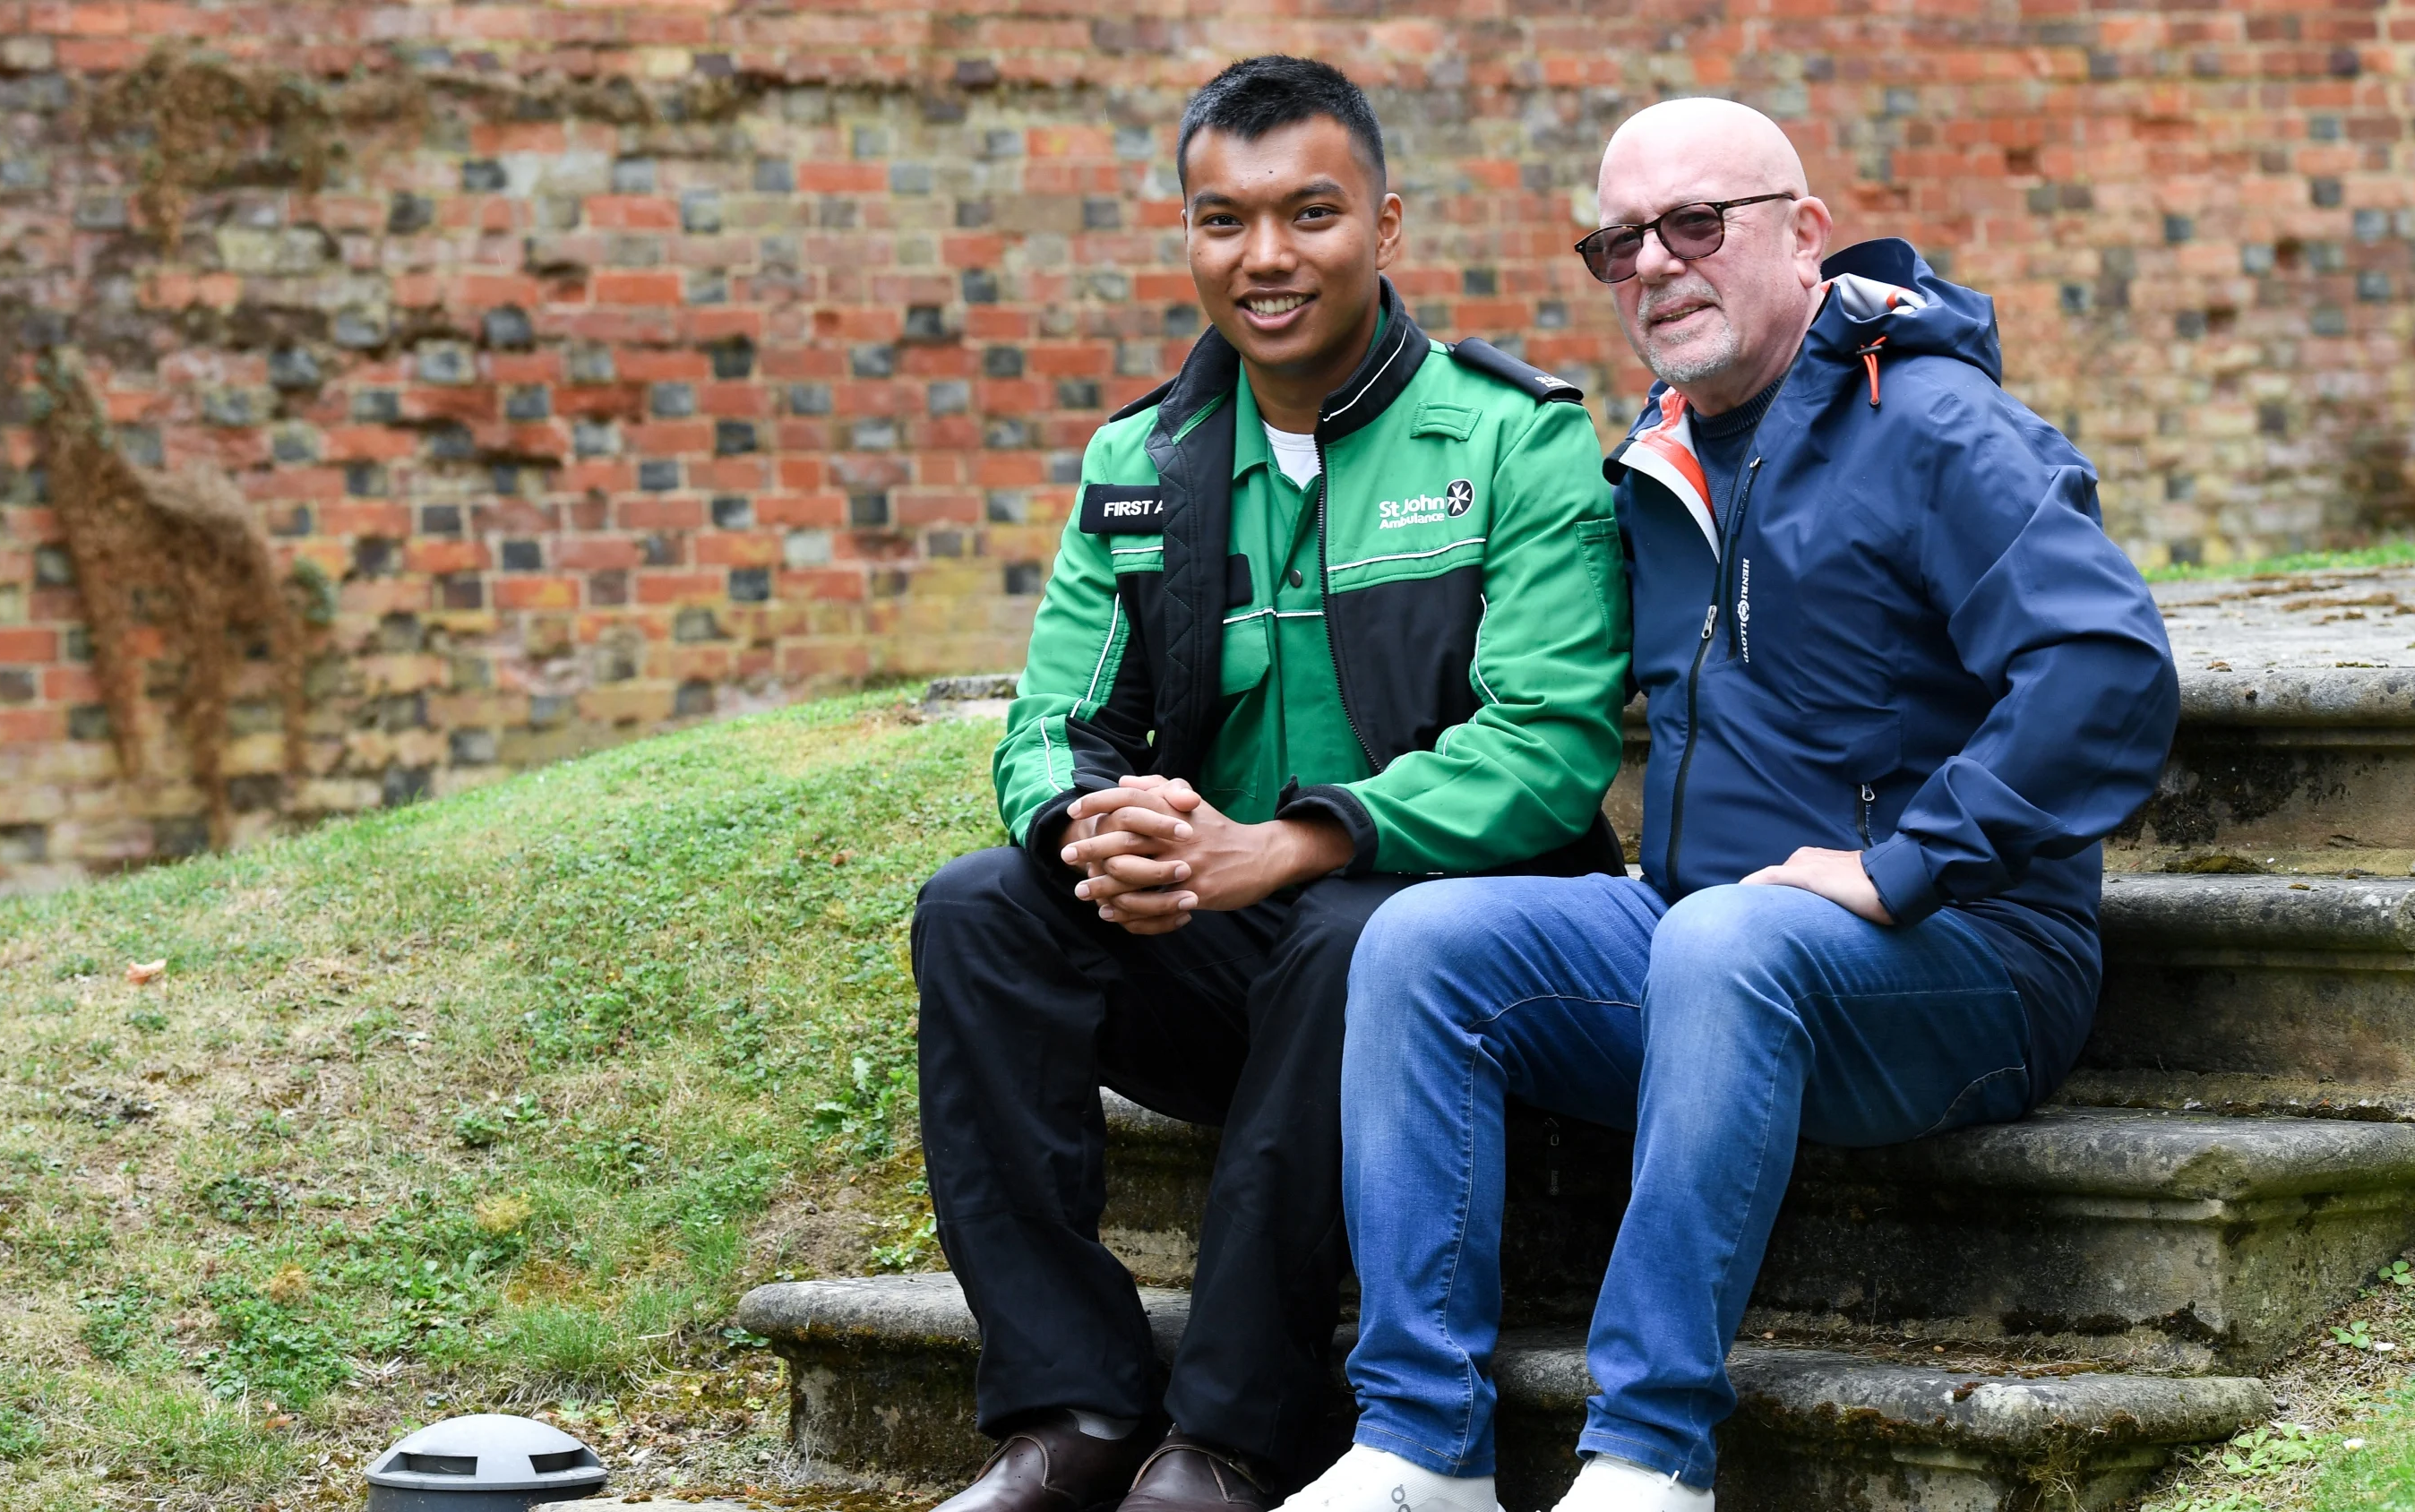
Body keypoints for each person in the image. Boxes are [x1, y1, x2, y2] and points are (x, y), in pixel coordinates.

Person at [1281, 99, 2180, 1512]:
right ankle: (1417, 1448)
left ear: (1803, 231)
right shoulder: (1662, 454)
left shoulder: (1932, 420)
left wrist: (1909, 863)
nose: (1653, 263)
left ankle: (1646, 1455)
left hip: (1971, 960)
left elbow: (2109, 669)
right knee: (1418, 944)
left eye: (1695, 223)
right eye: (1618, 240)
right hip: (1717, 945)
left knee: (1721, 944)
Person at [910, 56, 1634, 1512]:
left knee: (1347, 933)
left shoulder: (1514, 438)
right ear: (1187, 237)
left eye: (1308, 215)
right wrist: (1095, 823)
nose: (1265, 259)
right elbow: (1050, 720)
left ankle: (1234, 1436)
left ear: (1386, 224)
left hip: (1456, 952)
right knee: (980, 912)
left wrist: (1298, 841)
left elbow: (1552, 744)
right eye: (1220, 221)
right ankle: (1073, 1413)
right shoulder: (1139, 462)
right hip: (1235, 942)